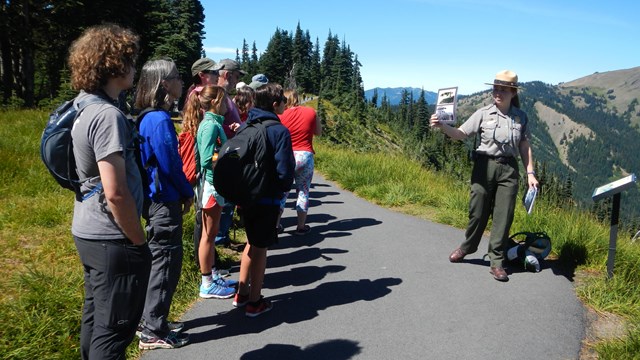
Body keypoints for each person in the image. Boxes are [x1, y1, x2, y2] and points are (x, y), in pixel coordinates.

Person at [68, 24, 151, 359]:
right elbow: (116, 192)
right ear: (115, 65)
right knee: (114, 330)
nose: (135, 68)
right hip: (112, 237)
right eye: (131, 60)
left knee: (96, 320)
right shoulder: (107, 116)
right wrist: (138, 240)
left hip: (87, 230)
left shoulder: (82, 106)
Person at [430, 70, 539, 282]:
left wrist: (530, 172)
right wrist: (442, 126)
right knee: (477, 211)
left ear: (513, 92)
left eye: (503, 89)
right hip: (483, 167)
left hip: (509, 169)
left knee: (503, 216)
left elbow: (525, 145)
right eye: (496, 88)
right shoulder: (482, 113)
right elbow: (460, 134)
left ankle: (497, 262)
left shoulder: (521, 117)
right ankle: (467, 247)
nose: (498, 92)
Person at [134, 59, 193, 349]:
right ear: (163, 83)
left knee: (160, 260)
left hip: (154, 199)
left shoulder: (147, 116)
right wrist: (187, 192)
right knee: (166, 262)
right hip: (163, 200)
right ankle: (153, 329)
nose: (182, 82)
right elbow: (170, 163)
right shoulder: (158, 119)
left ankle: (152, 320)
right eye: (177, 77)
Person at [233, 83, 295, 317]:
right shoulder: (279, 131)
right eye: (282, 101)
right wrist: (282, 190)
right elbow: (284, 171)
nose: (285, 105)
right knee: (261, 248)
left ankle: (241, 293)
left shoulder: (245, 126)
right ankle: (254, 301)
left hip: (245, 196)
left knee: (251, 242)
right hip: (266, 198)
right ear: (275, 104)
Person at [193, 85, 237, 299]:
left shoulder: (211, 123)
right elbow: (207, 158)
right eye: (224, 99)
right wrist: (228, 160)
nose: (227, 104)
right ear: (215, 102)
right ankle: (206, 283)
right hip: (212, 186)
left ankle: (212, 274)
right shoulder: (210, 125)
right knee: (208, 236)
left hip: (214, 185)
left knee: (210, 233)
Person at [278, 89, 322, 235]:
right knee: (303, 191)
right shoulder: (311, 112)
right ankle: (301, 226)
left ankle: (275, 225)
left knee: (282, 191)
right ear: (297, 98)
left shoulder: (280, 115)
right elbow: (318, 132)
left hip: (287, 156)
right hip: (305, 155)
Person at [214, 59, 245, 246]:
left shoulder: (226, 97)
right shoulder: (217, 97)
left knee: (228, 200)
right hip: (221, 155)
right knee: (223, 200)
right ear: (226, 75)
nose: (236, 81)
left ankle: (222, 237)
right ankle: (218, 240)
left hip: (229, 154)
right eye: (235, 76)